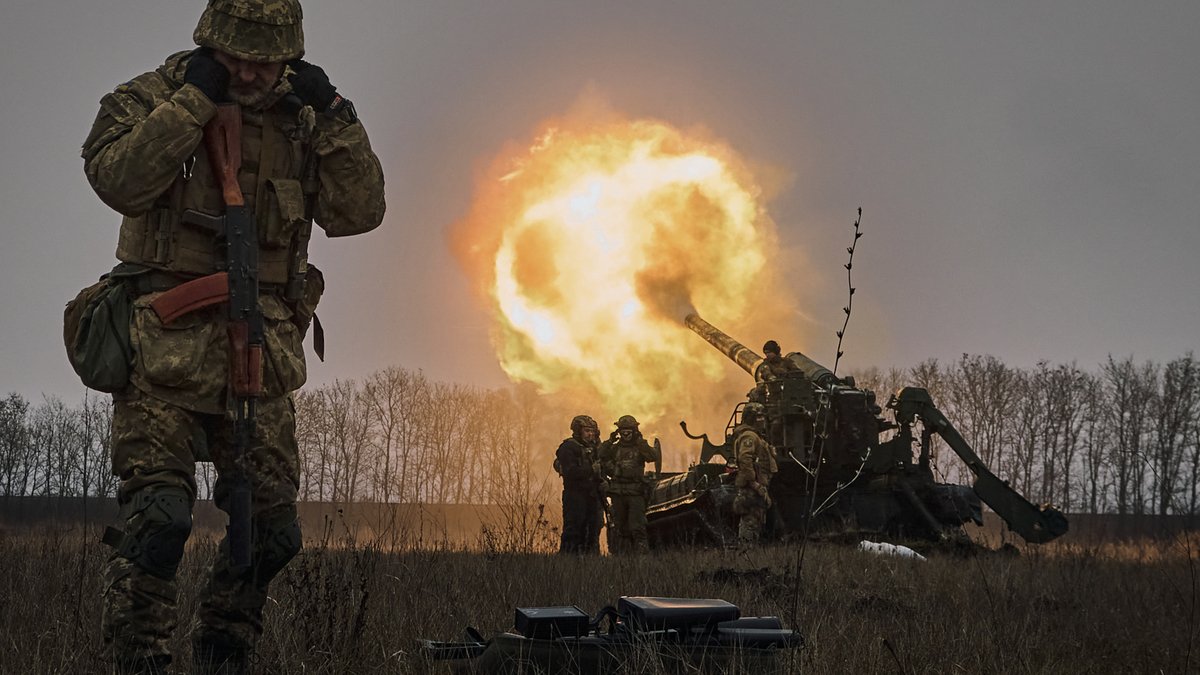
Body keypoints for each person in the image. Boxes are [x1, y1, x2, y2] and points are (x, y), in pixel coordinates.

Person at [80, 1, 385, 672]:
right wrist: (192, 103)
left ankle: (223, 647)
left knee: (271, 533)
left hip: (260, 354)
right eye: (236, 58)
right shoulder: (153, 96)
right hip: (162, 353)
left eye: (264, 62)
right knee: (159, 523)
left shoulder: (306, 119)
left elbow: (360, 212)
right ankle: (138, 657)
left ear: (289, 58)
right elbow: (118, 180)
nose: (248, 73)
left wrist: (338, 114)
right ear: (210, 45)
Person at [597, 415, 661, 554]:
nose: (625, 435)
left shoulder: (640, 448)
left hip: (636, 493)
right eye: (623, 431)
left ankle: (641, 558)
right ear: (619, 432)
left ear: (634, 431)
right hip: (618, 493)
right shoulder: (614, 448)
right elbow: (599, 455)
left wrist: (641, 442)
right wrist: (610, 441)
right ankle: (623, 557)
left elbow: (653, 456)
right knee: (620, 528)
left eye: (629, 431)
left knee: (637, 527)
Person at [554, 415, 605, 554]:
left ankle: (591, 560)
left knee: (594, 530)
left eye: (592, 431)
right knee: (574, 530)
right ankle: (568, 560)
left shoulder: (594, 448)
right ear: (578, 431)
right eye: (587, 431)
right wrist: (591, 470)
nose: (590, 434)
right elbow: (570, 472)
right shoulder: (568, 448)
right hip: (575, 495)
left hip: (593, 495)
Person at [732, 403, 778, 546]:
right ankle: (746, 552)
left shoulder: (756, 437)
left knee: (756, 521)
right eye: (758, 417)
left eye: (762, 416)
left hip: (757, 487)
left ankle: (750, 552)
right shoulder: (749, 436)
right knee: (750, 522)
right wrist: (755, 484)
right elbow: (745, 459)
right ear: (751, 418)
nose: (762, 419)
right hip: (752, 489)